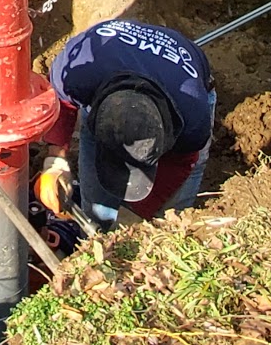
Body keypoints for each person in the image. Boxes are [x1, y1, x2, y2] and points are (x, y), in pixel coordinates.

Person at [33, 19, 217, 232]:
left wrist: (137, 215)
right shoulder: (77, 73)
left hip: (180, 90)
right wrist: (56, 160)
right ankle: (96, 232)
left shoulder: (192, 120)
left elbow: (181, 163)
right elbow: (61, 102)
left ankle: (168, 233)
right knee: (97, 209)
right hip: (110, 84)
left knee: (169, 217)